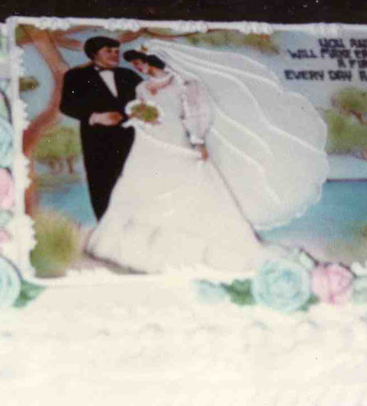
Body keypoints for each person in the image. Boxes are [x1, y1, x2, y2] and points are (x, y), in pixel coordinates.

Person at [85, 42, 329, 273]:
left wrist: (197, 139)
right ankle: (130, 249)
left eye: (139, 62)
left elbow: (197, 113)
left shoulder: (184, 84)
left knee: (189, 188)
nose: (138, 67)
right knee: (137, 185)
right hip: (147, 143)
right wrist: (141, 117)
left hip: (176, 141)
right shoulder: (142, 88)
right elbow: (141, 110)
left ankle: (191, 249)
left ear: (152, 60)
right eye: (135, 64)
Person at [59, 36, 143, 220]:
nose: (114, 55)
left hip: (132, 138)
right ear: (94, 53)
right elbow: (66, 105)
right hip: (97, 140)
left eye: (117, 51)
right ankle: (106, 229)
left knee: (133, 183)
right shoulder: (75, 76)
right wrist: (96, 117)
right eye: (108, 51)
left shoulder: (129, 76)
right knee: (102, 184)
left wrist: (133, 115)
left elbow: (146, 102)